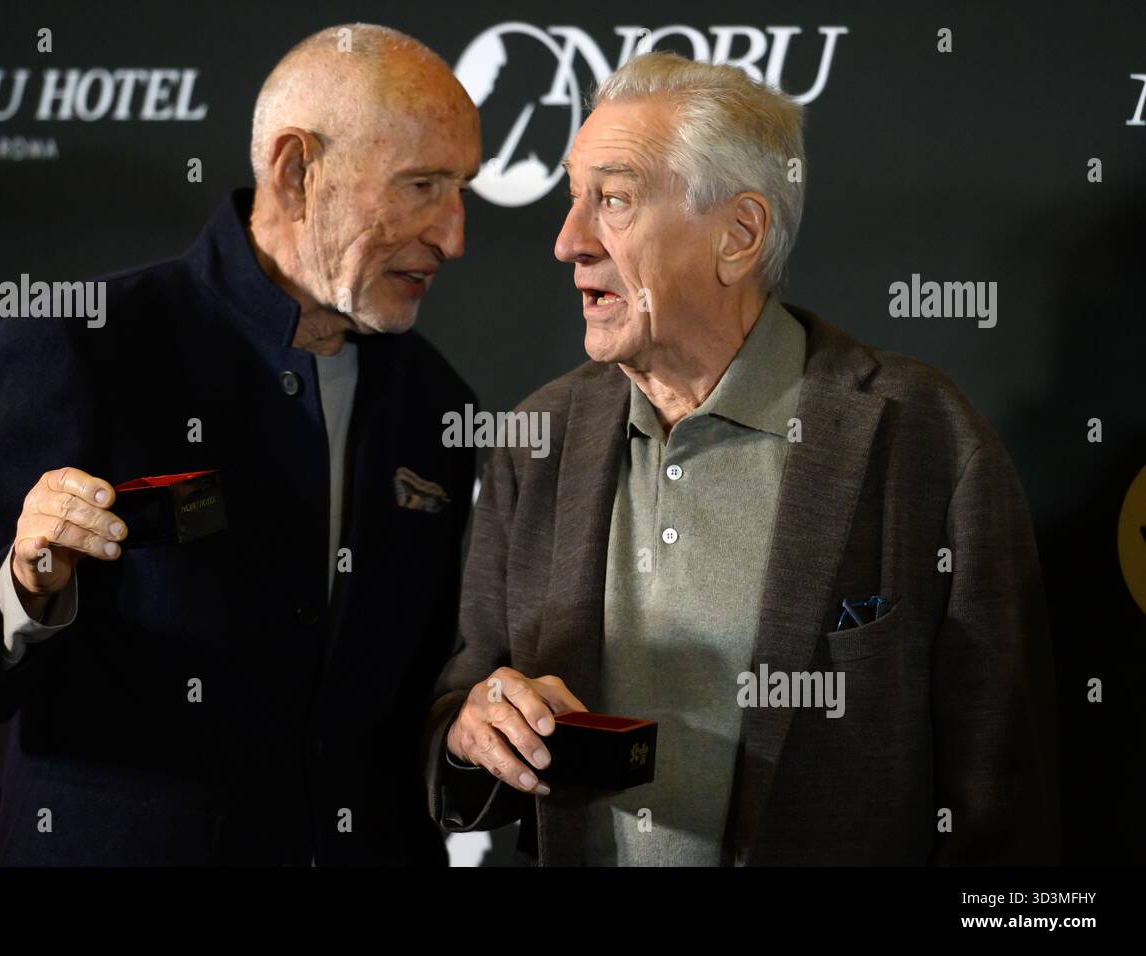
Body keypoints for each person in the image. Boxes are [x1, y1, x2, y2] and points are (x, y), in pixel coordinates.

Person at [425, 52, 1058, 866]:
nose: (567, 242)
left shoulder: (927, 440)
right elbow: (467, 706)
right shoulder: (535, 438)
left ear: (739, 235)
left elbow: (1001, 797)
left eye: (612, 200)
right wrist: (471, 730)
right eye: (572, 197)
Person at [0, 23, 481, 865]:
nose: (454, 235)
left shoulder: (438, 403)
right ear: (296, 171)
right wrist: (25, 582)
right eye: (423, 185)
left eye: (461, 188)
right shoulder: (84, 340)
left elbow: (410, 705)